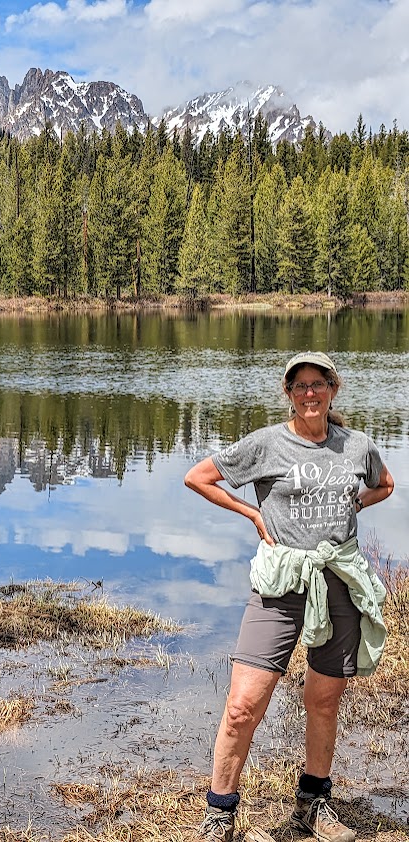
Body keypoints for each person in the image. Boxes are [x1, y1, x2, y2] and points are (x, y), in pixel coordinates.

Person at [184, 351, 394, 842]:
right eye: (299, 385)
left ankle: (312, 806)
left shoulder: (357, 445)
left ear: (333, 390)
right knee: (242, 706)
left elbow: (384, 484)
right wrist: (253, 514)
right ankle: (220, 816)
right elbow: (198, 477)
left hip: (338, 582)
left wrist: (356, 502)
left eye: (318, 384)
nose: (309, 393)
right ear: (289, 393)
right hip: (280, 583)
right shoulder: (267, 444)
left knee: (323, 701)